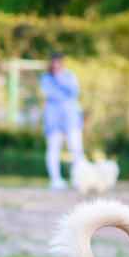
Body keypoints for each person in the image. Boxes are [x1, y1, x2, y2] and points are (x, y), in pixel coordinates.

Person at [40, 51, 85, 192]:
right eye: (54, 61)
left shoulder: (69, 75)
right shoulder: (45, 78)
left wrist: (60, 81)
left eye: (58, 61)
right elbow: (51, 94)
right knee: (53, 148)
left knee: (76, 148)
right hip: (53, 119)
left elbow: (75, 91)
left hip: (71, 117)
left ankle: (81, 179)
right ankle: (55, 179)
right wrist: (64, 92)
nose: (56, 64)